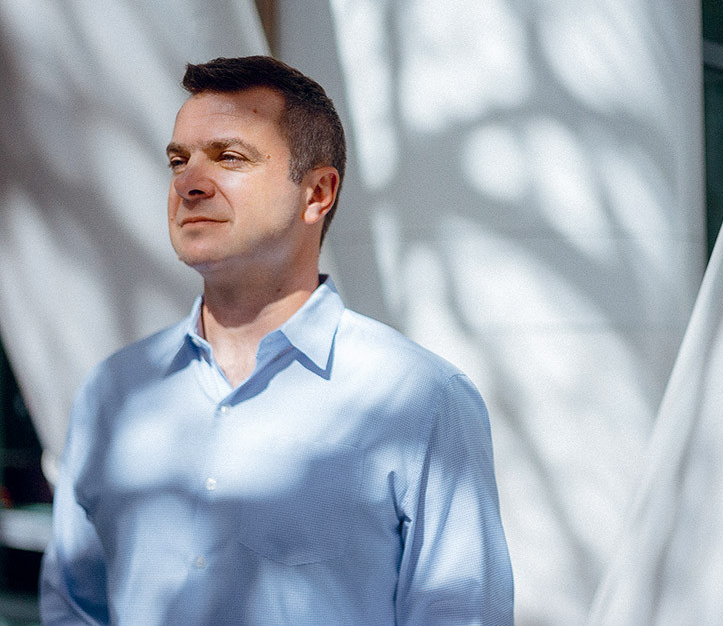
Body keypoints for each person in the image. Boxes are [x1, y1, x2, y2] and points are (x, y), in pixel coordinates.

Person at [39, 56, 514, 625]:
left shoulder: (421, 400)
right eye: (179, 161)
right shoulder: (113, 391)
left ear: (317, 192)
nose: (189, 183)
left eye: (229, 157)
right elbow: (73, 608)